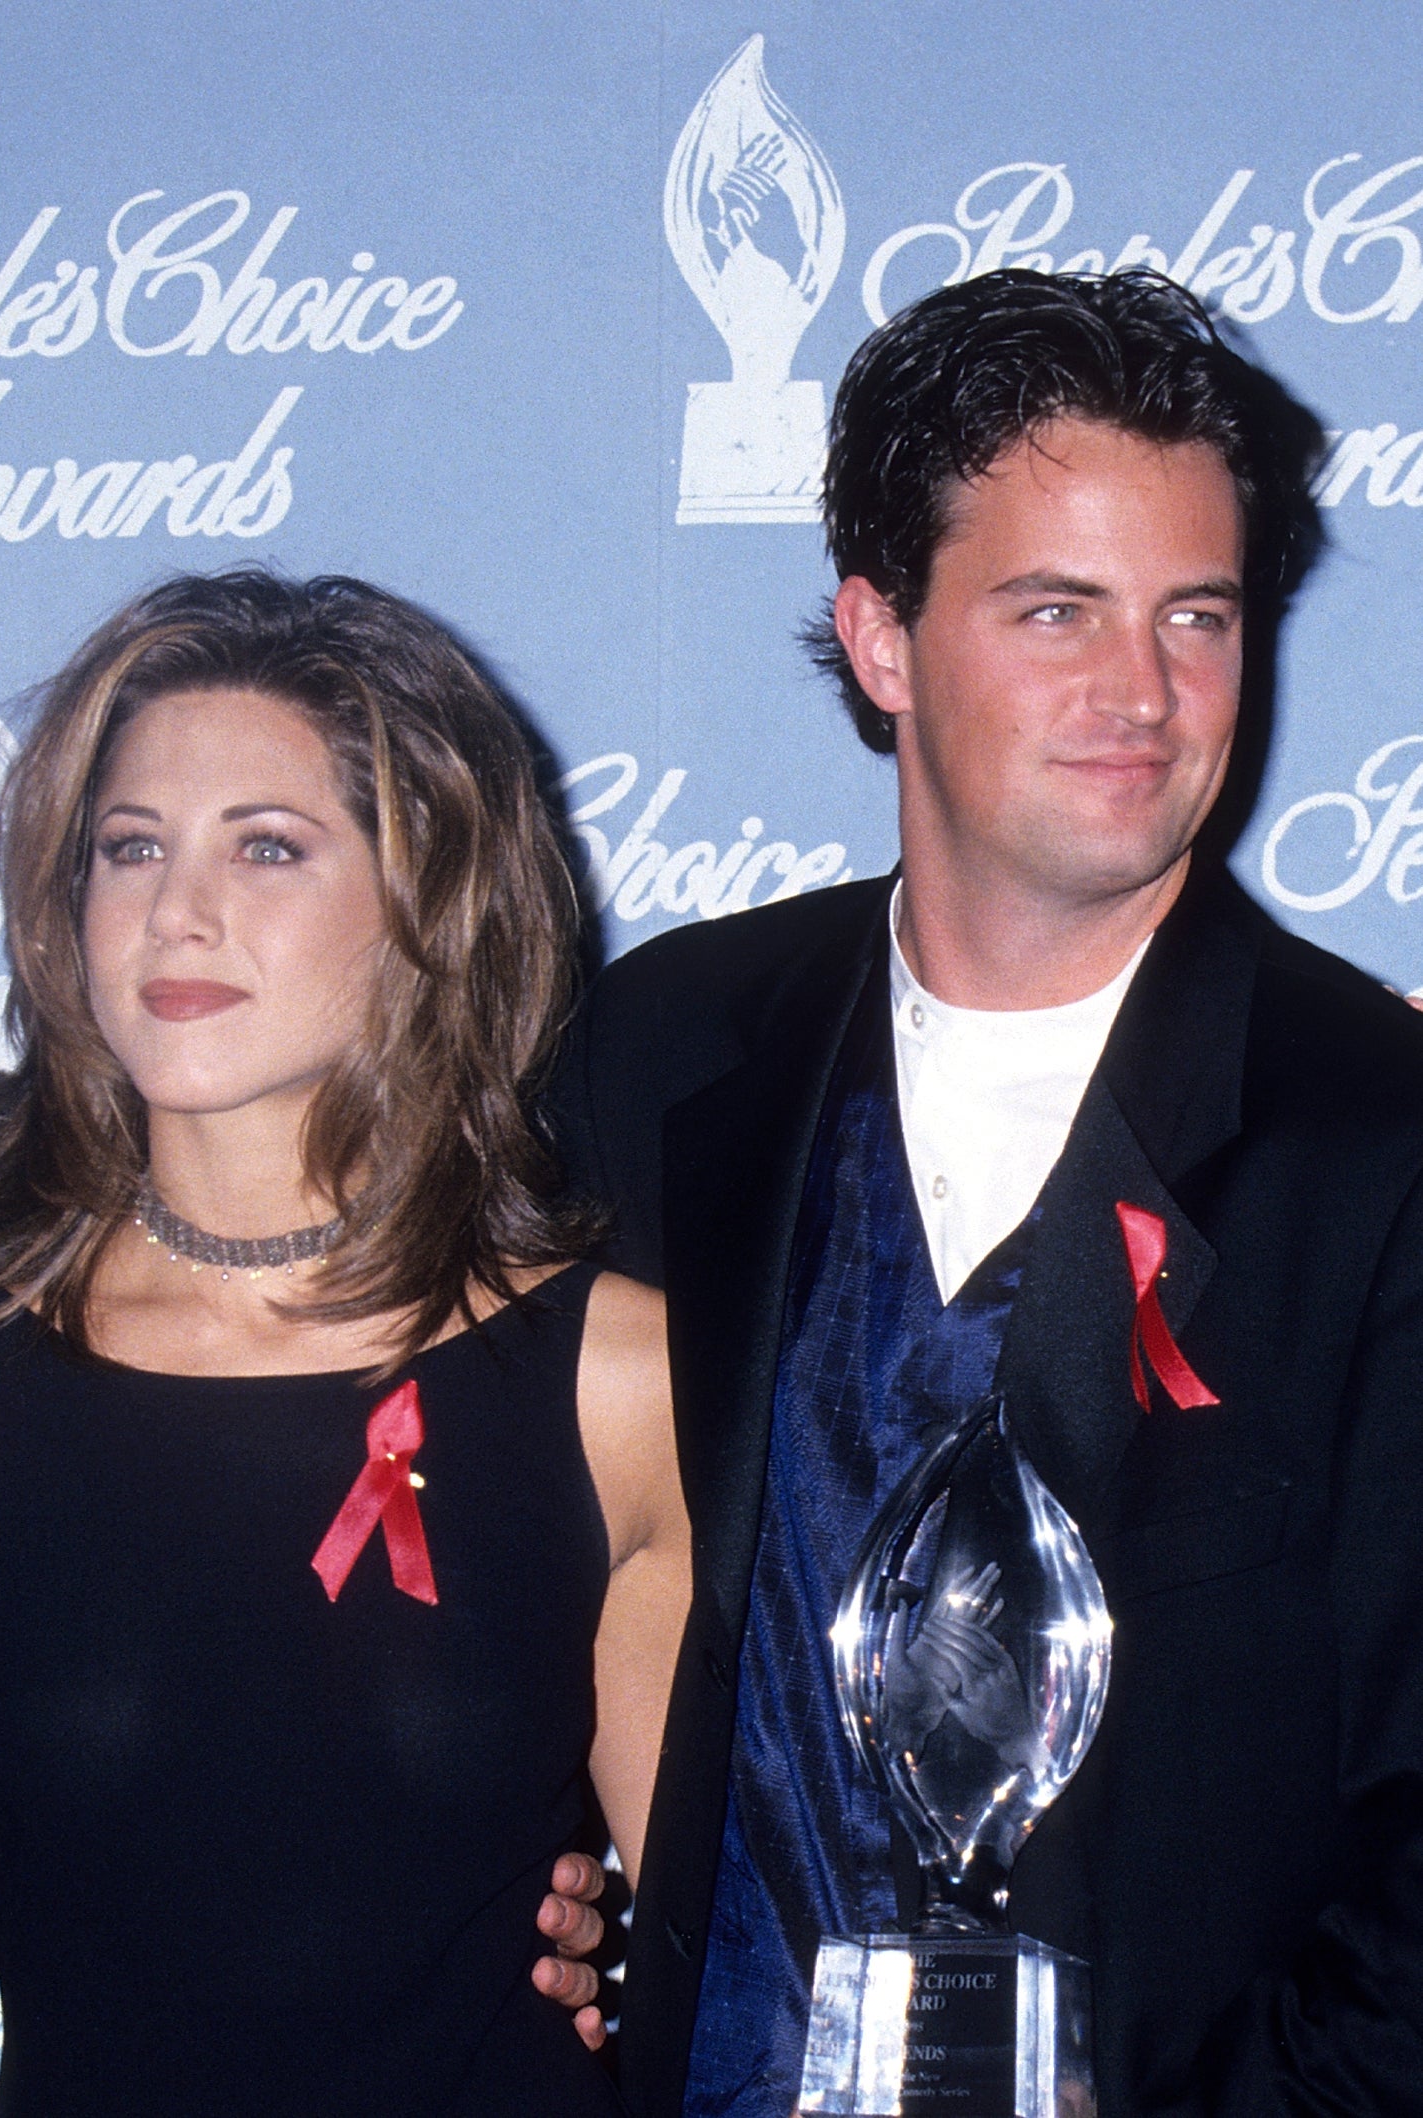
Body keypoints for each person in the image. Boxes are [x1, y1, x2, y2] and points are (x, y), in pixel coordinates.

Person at [552, 266, 1423, 2118]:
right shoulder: (659, 1051)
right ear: (880, 636)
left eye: (1199, 614)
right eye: (1056, 611)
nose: (1144, 692)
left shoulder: (1383, 1138)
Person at [0, 569, 694, 2116]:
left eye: (267, 847)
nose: (174, 910)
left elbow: (747, 1947)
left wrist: (633, 1961)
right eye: (128, 847)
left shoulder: (614, 1378)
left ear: (430, 909)